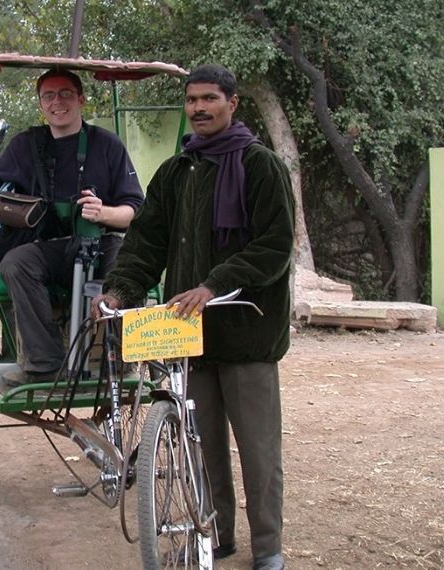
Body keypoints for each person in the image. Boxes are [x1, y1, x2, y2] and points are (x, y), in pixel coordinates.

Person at [93, 64, 294, 570]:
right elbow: (146, 243)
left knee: (258, 451)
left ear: (232, 103)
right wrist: (120, 290)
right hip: (189, 336)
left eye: (209, 99)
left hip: (247, 332)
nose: (199, 108)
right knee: (200, 446)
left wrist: (214, 284)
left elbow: (274, 247)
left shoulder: (260, 165)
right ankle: (215, 536)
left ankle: (268, 549)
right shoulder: (176, 171)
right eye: (192, 100)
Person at [0, 68, 144, 386]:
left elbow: (133, 210)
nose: (57, 102)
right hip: (48, 247)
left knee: (129, 263)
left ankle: (115, 359)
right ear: (40, 104)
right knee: (16, 262)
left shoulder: (108, 144)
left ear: (81, 99)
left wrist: (103, 212)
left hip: (99, 243)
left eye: (65, 94)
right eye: (48, 96)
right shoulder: (25, 145)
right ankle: (44, 363)